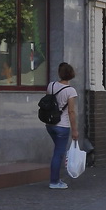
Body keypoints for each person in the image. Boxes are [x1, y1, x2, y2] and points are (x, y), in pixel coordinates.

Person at [45, 62, 78, 190]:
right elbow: (71, 111)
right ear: (71, 74)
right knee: (58, 153)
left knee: (57, 151)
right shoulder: (71, 91)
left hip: (50, 124)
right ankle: (54, 181)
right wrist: (74, 130)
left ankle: (56, 179)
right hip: (62, 126)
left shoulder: (51, 85)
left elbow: (48, 102)